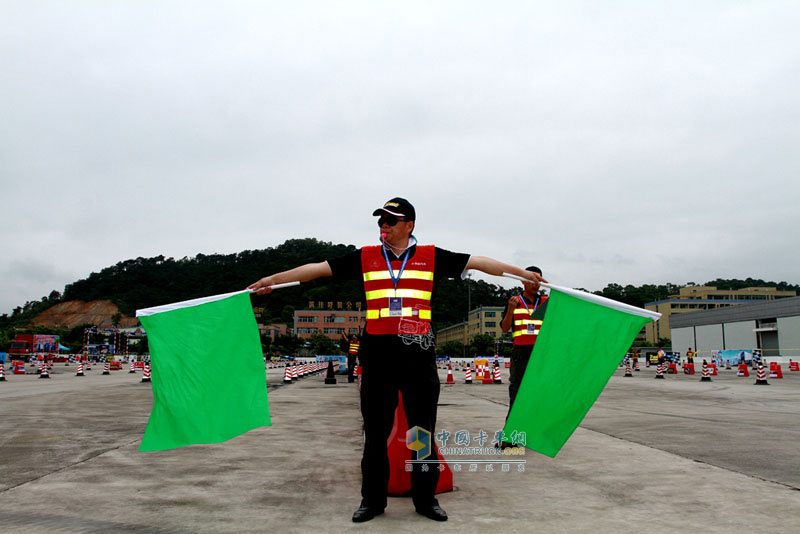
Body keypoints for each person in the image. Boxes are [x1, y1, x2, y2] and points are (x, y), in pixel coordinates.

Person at [249, 197, 544, 523]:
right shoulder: (366, 257)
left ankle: (425, 498)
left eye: (391, 220)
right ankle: (372, 501)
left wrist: (521, 273)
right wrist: (273, 280)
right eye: (381, 221)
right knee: (376, 433)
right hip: (377, 356)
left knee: (422, 432)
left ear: (409, 225)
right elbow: (316, 270)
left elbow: (478, 262)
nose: (384, 226)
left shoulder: (432, 256)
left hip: (418, 356)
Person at [499, 266, 548, 448]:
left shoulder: (546, 301)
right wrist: (510, 310)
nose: (535, 284)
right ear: (522, 281)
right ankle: (509, 436)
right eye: (531, 280)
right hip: (520, 352)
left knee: (539, 393)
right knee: (517, 393)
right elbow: (504, 329)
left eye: (538, 280)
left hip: (541, 353)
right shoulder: (514, 301)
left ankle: (534, 433)